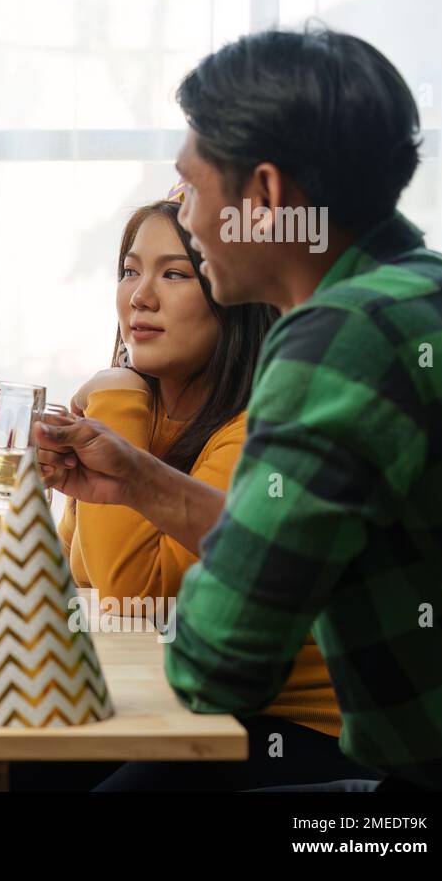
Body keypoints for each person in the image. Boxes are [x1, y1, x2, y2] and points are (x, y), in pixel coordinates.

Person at [35, 27, 442, 790]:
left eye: (193, 188)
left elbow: (217, 667)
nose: (190, 215)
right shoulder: (437, 293)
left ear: (265, 197)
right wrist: (142, 481)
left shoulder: (337, 342)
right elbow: (318, 542)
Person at [56, 193, 383, 790]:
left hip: (296, 726)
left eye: (175, 273)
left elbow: (137, 596)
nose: (139, 296)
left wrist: (116, 395)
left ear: (234, 299)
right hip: (177, 699)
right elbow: (75, 578)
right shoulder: (139, 413)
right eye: (130, 270)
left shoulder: (259, 428)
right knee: (17, 768)